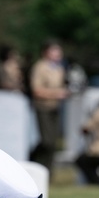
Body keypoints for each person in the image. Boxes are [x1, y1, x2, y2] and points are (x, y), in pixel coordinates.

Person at [29, 40, 68, 173]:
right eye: (54, 50)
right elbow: (37, 90)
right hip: (43, 107)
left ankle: (48, 172)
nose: (58, 53)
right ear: (46, 52)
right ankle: (33, 160)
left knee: (53, 143)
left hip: (55, 108)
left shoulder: (59, 68)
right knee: (46, 141)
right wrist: (57, 94)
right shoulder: (40, 67)